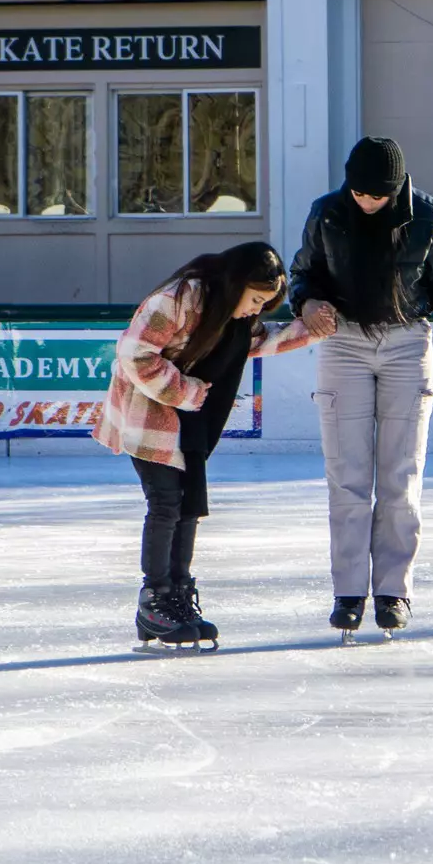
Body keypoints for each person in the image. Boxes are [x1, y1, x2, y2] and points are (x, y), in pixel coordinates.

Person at [290, 136, 433, 636]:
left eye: (377, 195)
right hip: (343, 343)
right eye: (359, 193)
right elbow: (301, 275)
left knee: (401, 475)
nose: (367, 202)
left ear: (396, 190)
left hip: (406, 341)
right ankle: (348, 591)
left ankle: (393, 591)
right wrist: (306, 304)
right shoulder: (327, 213)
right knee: (347, 475)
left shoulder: (432, 218)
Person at [95, 242, 323, 648]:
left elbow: (256, 342)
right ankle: (155, 599)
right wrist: (186, 391)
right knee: (166, 502)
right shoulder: (179, 299)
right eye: (254, 299)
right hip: (147, 414)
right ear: (236, 284)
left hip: (190, 422)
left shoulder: (231, 315)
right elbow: (135, 354)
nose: (256, 309)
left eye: (264, 303)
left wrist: (311, 330)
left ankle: (178, 595)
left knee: (188, 505)